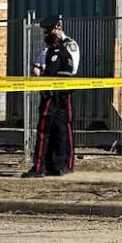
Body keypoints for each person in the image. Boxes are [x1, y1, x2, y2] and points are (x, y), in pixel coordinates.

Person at [22, 14, 80, 178]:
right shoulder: (49, 48)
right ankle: (53, 165)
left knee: (58, 130)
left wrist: (44, 75)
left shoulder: (69, 46)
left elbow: (67, 70)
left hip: (59, 93)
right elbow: (38, 65)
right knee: (55, 130)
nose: (46, 34)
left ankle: (59, 165)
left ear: (57, 28)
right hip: (52, 92)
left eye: (49, 31)